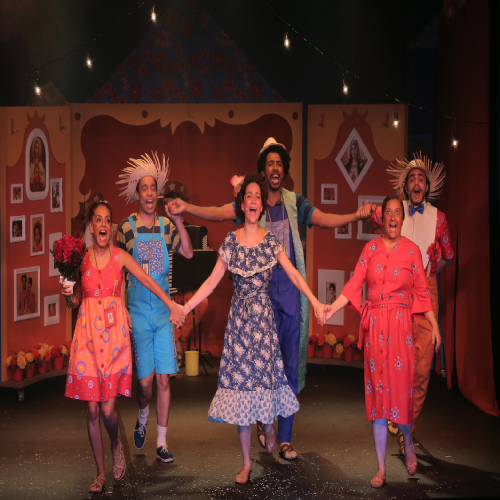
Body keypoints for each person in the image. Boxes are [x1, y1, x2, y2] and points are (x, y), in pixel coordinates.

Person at [169, 137, 374, 460]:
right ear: (262, 170)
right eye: (270, 163)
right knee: (258, 368)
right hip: (260, 293)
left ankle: (286, 437)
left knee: (287, 364)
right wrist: (186, 208)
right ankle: (264, 424)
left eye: (280, 163)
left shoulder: (294, 203)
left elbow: (323, 219)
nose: (275, 168)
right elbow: (219, 214)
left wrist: (354, 216)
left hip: (289, 292)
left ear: (284, 169)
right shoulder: (251, 203)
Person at [179, 174, 325, 484]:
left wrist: (314, 301)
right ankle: (246, 463)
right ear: (243, 204)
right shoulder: (231, 242)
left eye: (258, 196)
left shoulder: (270, 241)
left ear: (261, 206)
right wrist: (185, 307)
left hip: (263, 325)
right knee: (241, 394)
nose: (255, 200)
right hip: (239, 328)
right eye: (249, 196)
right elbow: (211, 282)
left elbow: (294, 275)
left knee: (266, 385)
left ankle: (269, 425)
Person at [62, 199, 185, 494]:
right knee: (92, 410)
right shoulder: (80, 259)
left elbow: (147, 280)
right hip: (87, 337)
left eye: (107, 220)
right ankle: (100, 472)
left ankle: (116, 443)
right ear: (91, 226)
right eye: (98, 220)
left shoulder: (120, 257)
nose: (103, 224)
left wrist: (170, 303)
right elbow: (74, 302)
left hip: (113, 338)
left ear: (111, 227)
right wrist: (67, 291)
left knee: (107, 412)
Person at [324, 194, 440, 488]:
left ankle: (408, 442)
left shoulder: (412, 251)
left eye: (397, 212)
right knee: (378, 401)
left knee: (401, 396)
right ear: (382, 218)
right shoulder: (370, 248)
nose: (392, 217)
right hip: (375, 328)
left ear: (402, 219)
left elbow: (422, 292)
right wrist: (331, 308)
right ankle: (381, 468)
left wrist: (434, 326)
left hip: (400, 328)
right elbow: (354, 284)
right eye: (388, 212)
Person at [116, 152, 192, 463]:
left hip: (162, 313)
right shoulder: (126, 228)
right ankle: (143, 414)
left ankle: (161, 442)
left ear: (157, 195)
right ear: (137, 194)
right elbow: (118, 272)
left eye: (153, 188)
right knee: (145, 384)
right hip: (137, 312)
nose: (149, 193)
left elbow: (188, 252)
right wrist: (122, 307)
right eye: (144, 188)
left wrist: (178, 219)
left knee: (163, 379)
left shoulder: (166, 226)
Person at [386, 154, 454, 452]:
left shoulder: (439, 218)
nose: (416, 183)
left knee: (423, 368)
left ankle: (406, 429)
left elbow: (448, 255)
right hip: (398, 294)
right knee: (397, 362)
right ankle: (398, 417)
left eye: (421, 179)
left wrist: (431, 271)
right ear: (405, 185)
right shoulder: (395, 213)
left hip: (426, 293)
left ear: (427, 186)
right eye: (412, 179)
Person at [161, 189, 209, 368]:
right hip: (168, 290)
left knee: (203, 303)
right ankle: (178, 347)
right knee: (165, 308)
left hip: (187, 289)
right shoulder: (161, 229)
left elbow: (198, 259)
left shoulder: (192, 230)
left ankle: (179, 339)